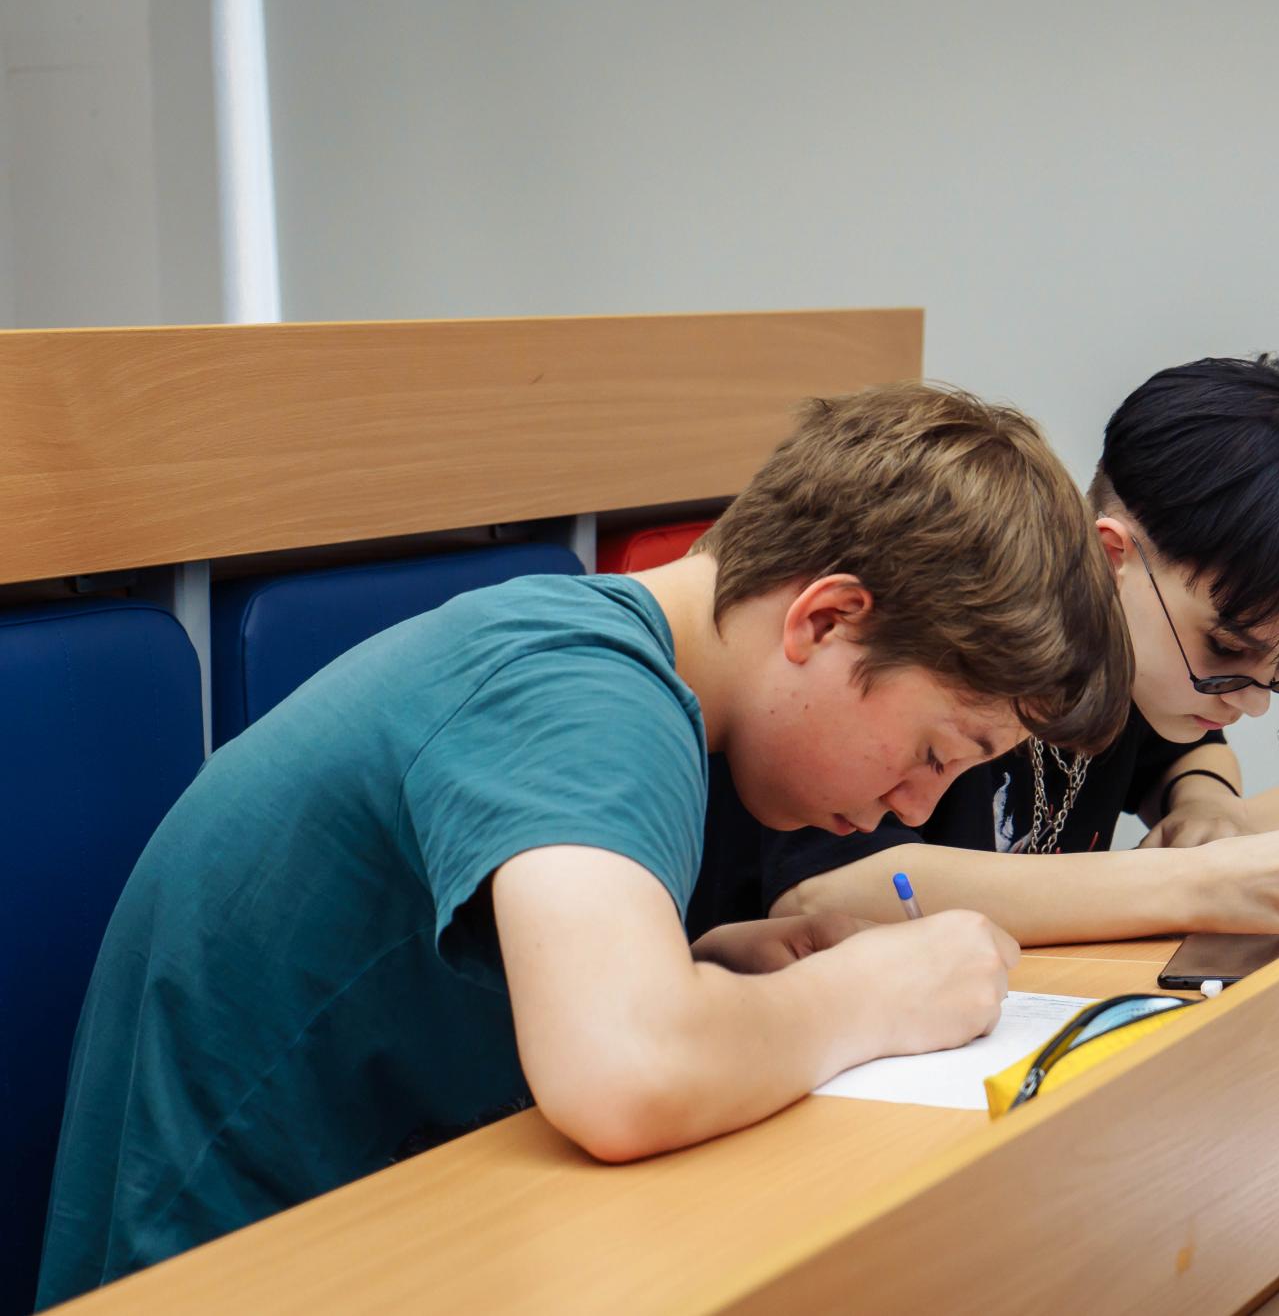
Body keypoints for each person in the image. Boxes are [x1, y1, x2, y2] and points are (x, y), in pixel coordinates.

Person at [36, 384, 1131, 1307]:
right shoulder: (587, 696)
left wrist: (697, 973)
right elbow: (628, 1072)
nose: (916, 804)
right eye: (937, 750)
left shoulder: (597, 661)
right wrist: (872, 992)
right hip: (225, 1273)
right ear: (826, 619)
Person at [681, 355, 1279, 947]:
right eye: (1225, 650)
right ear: (1113, 559)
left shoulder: (1149, 682)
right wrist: (1198, 883)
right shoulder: (966, 643)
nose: (1249, 702)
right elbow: (827, 889)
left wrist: (1207, 805)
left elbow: (1185, 752)